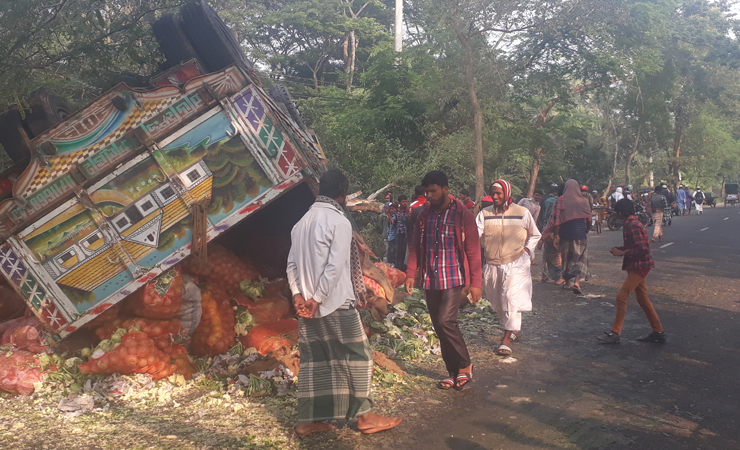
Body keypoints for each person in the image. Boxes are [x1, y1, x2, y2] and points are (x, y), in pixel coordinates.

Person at [287, 170, 402, 436]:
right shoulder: (339, 222)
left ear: (319, 192)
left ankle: (307, 420)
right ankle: (365, 417)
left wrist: (298, 295)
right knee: (359, 357)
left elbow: (291, 264)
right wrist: (317, 298)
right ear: (342, 194)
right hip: (334, 302)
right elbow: (335, 266)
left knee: (316, 361)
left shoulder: (301, 223)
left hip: (307, 305)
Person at [405, 170, 482, 390]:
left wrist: (476, 283)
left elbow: (473, 250)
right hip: (431, 279)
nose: (428, 195)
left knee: (445, 321)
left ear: (445, 190)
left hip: (454, 277)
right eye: (426, 191)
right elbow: (415, 247)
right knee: (439, 327)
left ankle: (465, 365)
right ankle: (453, 371)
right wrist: (411, 272)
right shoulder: (424, 215)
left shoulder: (462, 215)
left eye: (433, 191)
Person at [477, 180, 541, 357]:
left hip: (516, 262)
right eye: (493, 193)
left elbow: (535, 234)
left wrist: (527, 250)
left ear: (507, 193)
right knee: (496, 301)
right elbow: (476, 233)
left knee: (511, 297)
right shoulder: (485, 213)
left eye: (499, 193)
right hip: (492, 263)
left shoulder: (522, 212)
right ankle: (512, 328)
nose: (496, 197)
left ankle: (506, 338)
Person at [598, 198, 667, 344]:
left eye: (617, 213)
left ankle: (615, 333)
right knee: (643, 299)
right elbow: (634, 245)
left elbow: (641, 249)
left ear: (621, 212)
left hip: (640, 266)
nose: (616, 216)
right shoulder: (631, 224)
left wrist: (622, 253)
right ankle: (658, 331)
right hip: (638, 265)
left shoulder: (633, 226)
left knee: (621, 297)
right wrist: (620, 248)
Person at [543, 179, 591, 294]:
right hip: (580, 233)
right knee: (580, 258)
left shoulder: (560, 201)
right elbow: (589, 218)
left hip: (565, 234)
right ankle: (577, 282)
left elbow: (556, 221)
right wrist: (587, 228)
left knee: (566, 259)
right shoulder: (584, 201)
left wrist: (555, 237)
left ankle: (567, 283)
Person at [538, 184, 563, 284]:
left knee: (546, 253)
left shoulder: (545, 201)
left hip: (545, 230)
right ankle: (557, 278)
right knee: (557, 254)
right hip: (555, 230)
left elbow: (542, 217)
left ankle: (544, 275)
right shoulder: (560, 201)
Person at [395, 195, 410, 271]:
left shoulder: (409, 210)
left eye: (406, 201)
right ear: (399, 202)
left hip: (406, 233)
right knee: (398, 250)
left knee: (405, 251)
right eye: (403, 202)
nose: (405, 203)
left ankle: (404, 268)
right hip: (398, 232)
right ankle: (398, 267)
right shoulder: (397, 211)